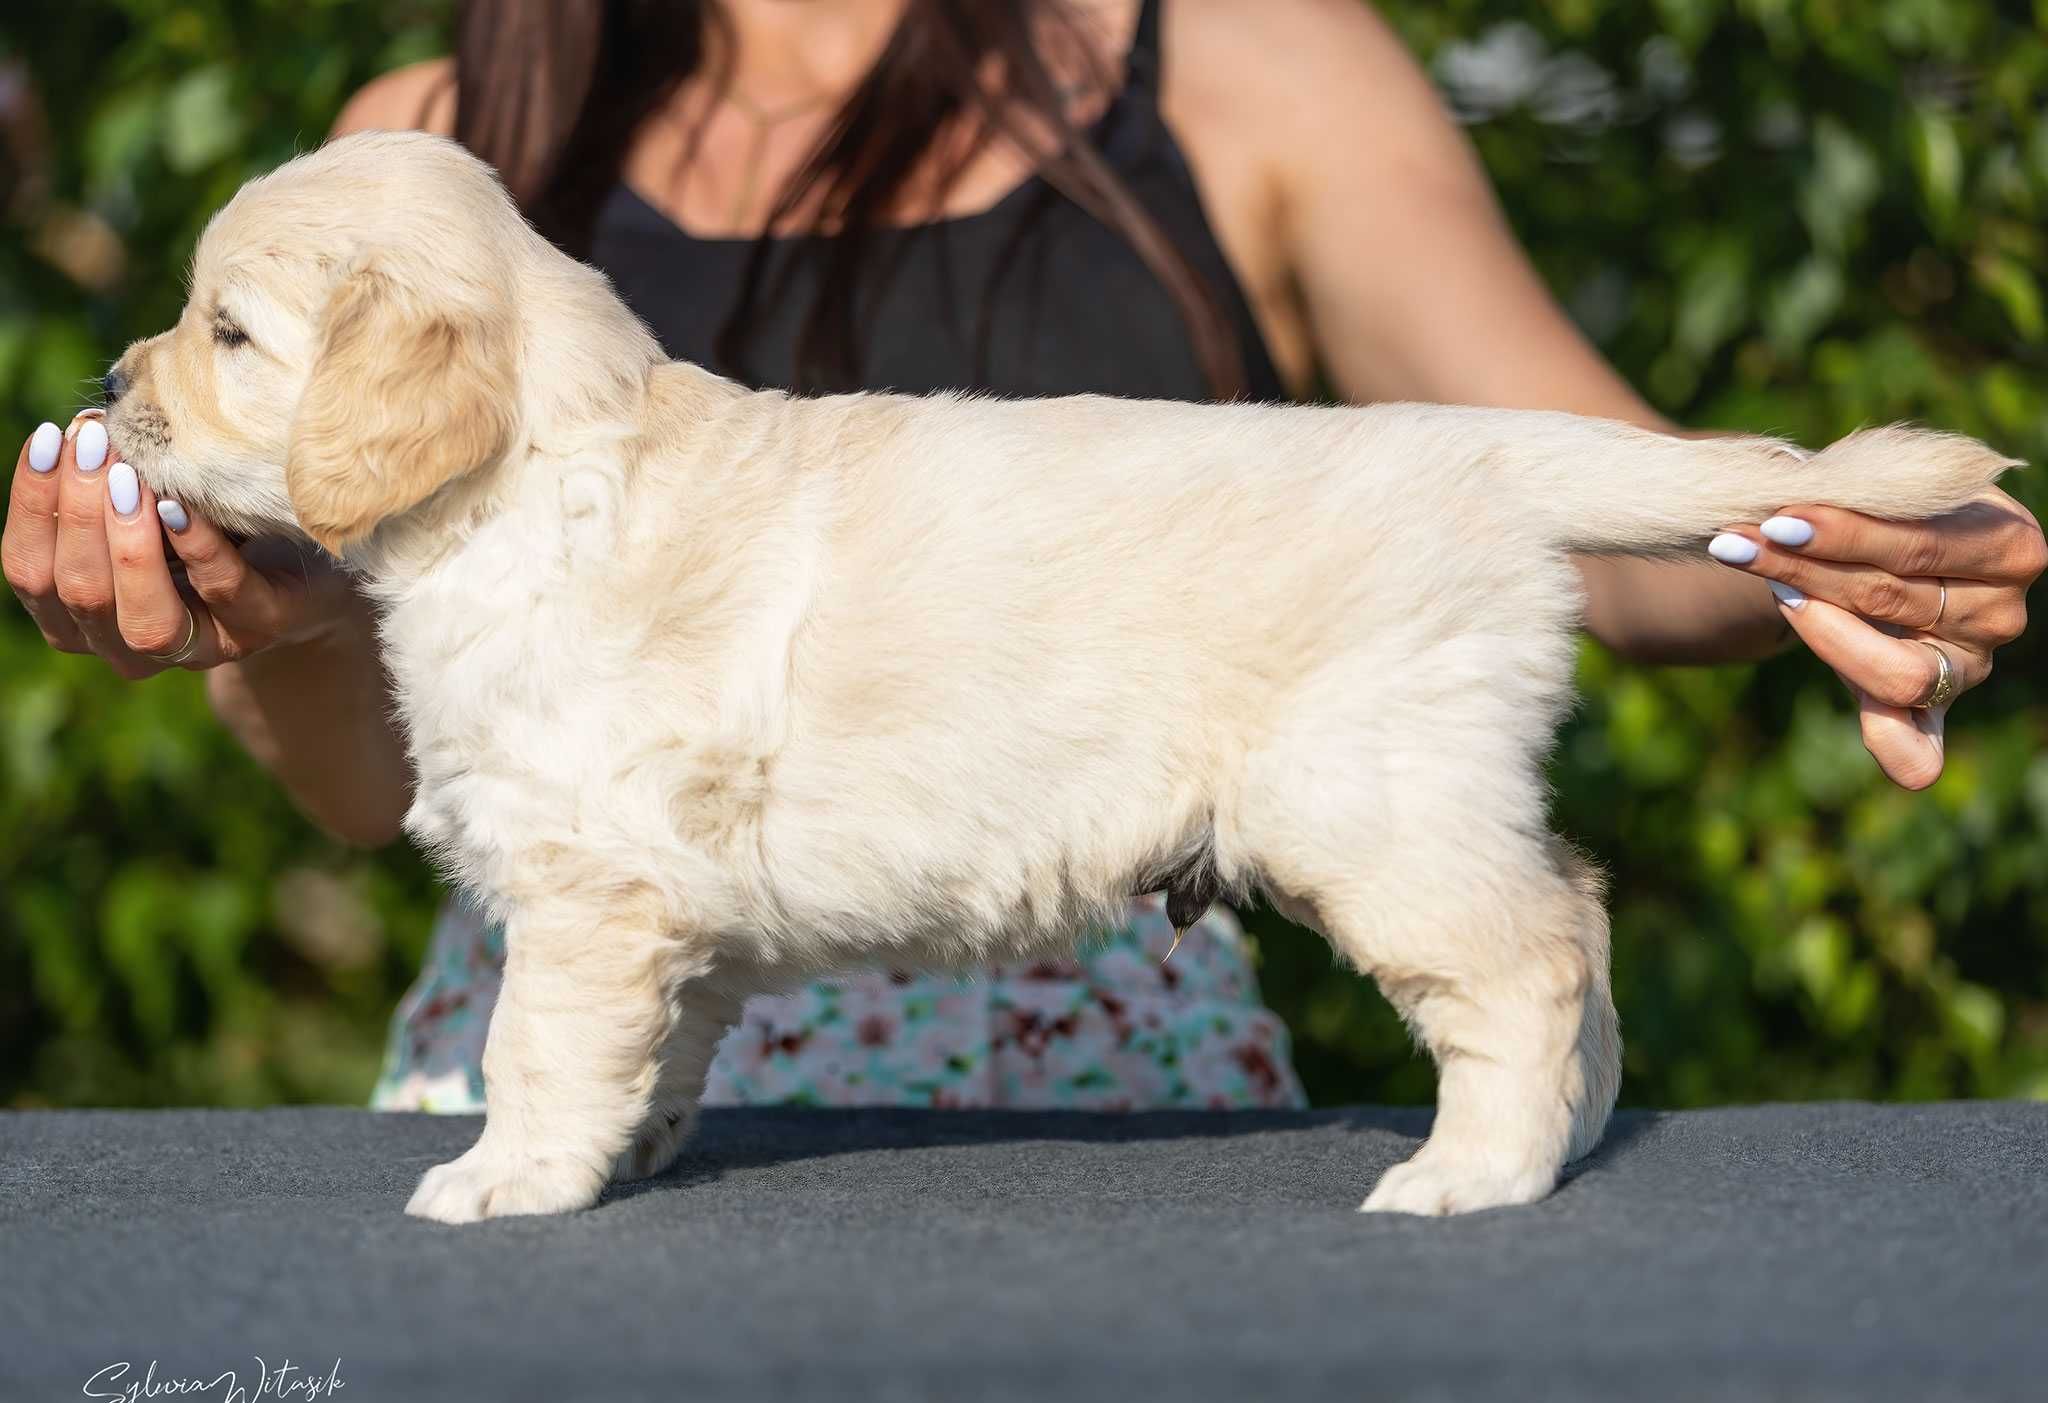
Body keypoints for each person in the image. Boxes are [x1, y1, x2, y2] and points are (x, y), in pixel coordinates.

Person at [8, 0, 2040, 1115]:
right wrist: (249, 623)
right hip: (579, 1070)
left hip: (1103, 1081)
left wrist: (1817, 559)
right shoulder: (434, 134)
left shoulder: (1253, 66)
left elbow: (1576, 504)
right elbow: (383, 785)